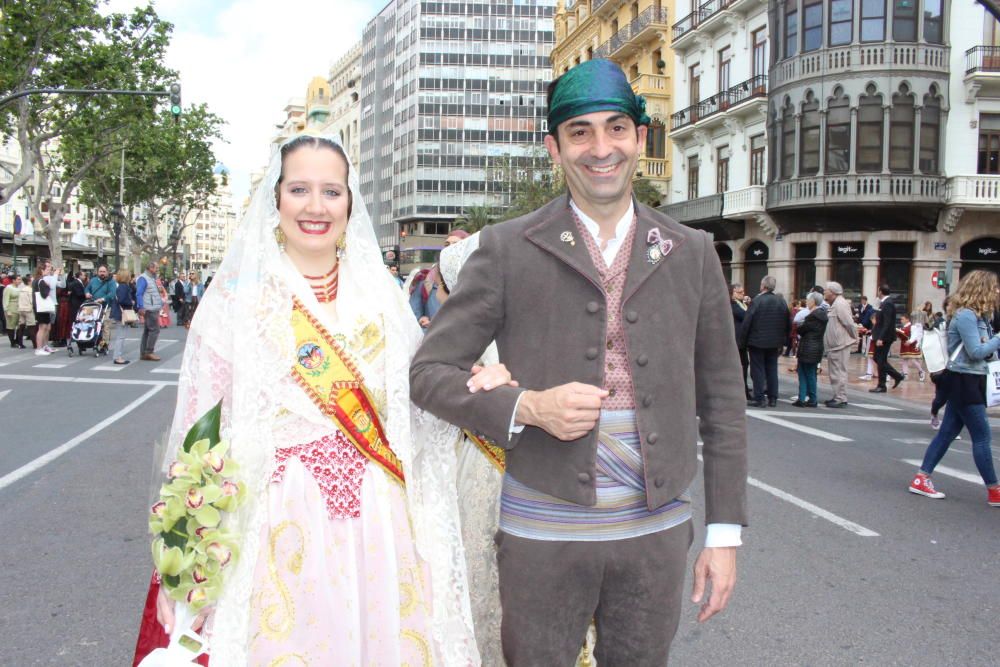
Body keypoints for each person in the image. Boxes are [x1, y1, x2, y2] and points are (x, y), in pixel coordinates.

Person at [410, 59, 748, 665]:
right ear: (554, 148)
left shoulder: (693, 252)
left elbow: (723, 402)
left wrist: (724, 534)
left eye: (617, 128)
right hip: (542, 531)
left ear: (641, 139)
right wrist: (526, 406)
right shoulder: (507, 248)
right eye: (580, 132)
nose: (601, 149)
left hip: (654, 533)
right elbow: (429, 373)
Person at [133, 134, 482, 665]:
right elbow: (195, 436)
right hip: (274, 519)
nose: (316, 207)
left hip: (378, 528)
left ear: (349, 203)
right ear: (275, 200)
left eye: (331, 191)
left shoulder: (383, 299)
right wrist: (183, 562)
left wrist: (474, 382)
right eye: (299, 189)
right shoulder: (233, 303)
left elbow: (418, 407)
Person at [908, 270, 1000, 508]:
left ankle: (921, 477)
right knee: (982, 437)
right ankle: (994, 490)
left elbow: (984, 351)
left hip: (969, 379)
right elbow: (976, 352)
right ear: (982, 289)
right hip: (964, 380)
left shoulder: (979, 316)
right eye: (994, 287)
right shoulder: (967, 316)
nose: (997, 292)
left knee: (947, 433)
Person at [740, 275, 791, 407]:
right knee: (772, 369)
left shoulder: (757, 301)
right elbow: (787, 322)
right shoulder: (781, 301)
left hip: (757, 341)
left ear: (763, 286)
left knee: (758, 369)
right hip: (775, 341)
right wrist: (784, 340)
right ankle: (773, 398)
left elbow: (747, 322)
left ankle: (759, 398)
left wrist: (743, 341)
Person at [823, 281, 858, 408]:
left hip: (840, 344)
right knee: (835, 372)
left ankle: (840, 398)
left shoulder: (840, 304)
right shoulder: (835, 303)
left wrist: (855, 337)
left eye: (826, 290)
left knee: (838, 372)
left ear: (832, 292)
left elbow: (849, 323)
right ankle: (838, 396)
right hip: (836, 345)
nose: (824, 292)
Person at [794, 293, 827, 407]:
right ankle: (812, 398)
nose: (807, 302)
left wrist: (800, 326)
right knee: (811, 373)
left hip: (807, 347)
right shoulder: (823, 315)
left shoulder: (812, 316)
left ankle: (803, 398)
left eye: (808, 300)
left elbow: (801, 329)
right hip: (817, 346)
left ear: (813, 301)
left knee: (803, 373)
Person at [870, 284, 904, 393]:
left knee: (880, 359)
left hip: (885, 337)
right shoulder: (884, 303)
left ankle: (883, 383)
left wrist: (881, 338)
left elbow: (887, 322)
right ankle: (894, 377)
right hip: (882, 335)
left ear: (880, 291)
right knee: (878, 359)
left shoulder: (888, 303)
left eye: (878, 290)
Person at [33, 261, 64, 355]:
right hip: (42, 307)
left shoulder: (38, 280)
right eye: (47, 268)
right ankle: (39, 348)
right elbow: (45, 293)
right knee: (42, 327)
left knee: (46, 326)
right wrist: (53, 278)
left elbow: (61, 285)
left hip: (42, 307)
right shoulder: (41, 281)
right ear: (42, 270)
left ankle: (43, 347)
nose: (49, 270)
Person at [135, 262, 163, 361]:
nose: (157, 269)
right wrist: (141, 307)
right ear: (150, 268)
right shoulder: (144, 278)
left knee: (147, 330)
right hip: (149, 308)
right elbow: (139, 293)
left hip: (152, 307)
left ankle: (144, 353)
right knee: (154, 330)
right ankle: (149, 352)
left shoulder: (153, 278)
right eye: (156, 268)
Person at [86, 264, 117, 350]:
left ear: (107, 272)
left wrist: (103, 299)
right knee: (92, 324)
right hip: (94, 306)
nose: (102, 273)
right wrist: (87, 293)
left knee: (105, 325)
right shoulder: (93, 280)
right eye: (100, 271)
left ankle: (104, 344)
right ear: (97, 272)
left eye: (104, 271)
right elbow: (87, 288)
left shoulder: (111, 281)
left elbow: (112, 293)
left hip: (106, 306)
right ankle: (90, 341)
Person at [109, 267, 135, 365]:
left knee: (121, 336)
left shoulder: (120, 286)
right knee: (121, 336)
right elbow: (122, 300)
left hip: (119, 313)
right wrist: (131, 302)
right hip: (122, 314)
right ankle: (117, 357)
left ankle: (118, 356)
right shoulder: (124, 287)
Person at [731, 283, 751, 399]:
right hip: (736, 340)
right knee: (740, 365)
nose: (742, 294)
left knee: (744, 364)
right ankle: (741, 390)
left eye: (743, 292)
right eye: (740, 292)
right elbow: (745, 316)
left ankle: (743, 389)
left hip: (742, 340)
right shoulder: (733, 305)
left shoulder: (742, 304)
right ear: (733, 293)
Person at [898, 311, 927, 381]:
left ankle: (921, 371)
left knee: (913, 359)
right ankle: (905, 374)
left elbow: (915, 335)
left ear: (907, 319)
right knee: (904, 359)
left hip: (911, 345)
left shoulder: (913, 326)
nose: (901, 321)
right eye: (901, 319)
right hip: (905, 345)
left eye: (903, 319)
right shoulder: (903, 327)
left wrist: (910, 341)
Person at [4, 275, 25, 348]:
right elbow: (5, 299)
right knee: (11, 326)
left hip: (19, 308)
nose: (20, 281)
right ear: (13, 280)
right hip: (11, 308)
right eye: (18, 279)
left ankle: (18, 341)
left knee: (20, 325)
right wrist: (7, 310)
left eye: (20, 279)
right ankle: (12, 342)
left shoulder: (20, 288)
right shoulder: (9, 288)